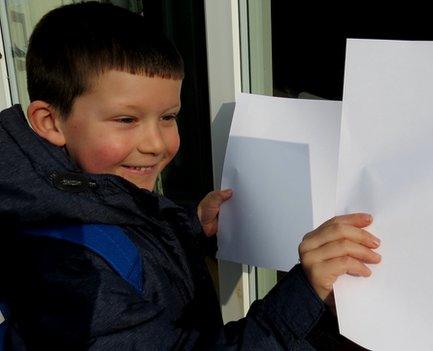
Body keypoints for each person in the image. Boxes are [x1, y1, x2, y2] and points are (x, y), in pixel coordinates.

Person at [0, 3, 381, 350]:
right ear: (50, 122)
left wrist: (189, 226)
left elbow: (127, 231)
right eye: (126, 120)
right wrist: (303, 295)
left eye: (168, 116)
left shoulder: (88, 187)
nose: (155, 143)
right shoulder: (60, 267)